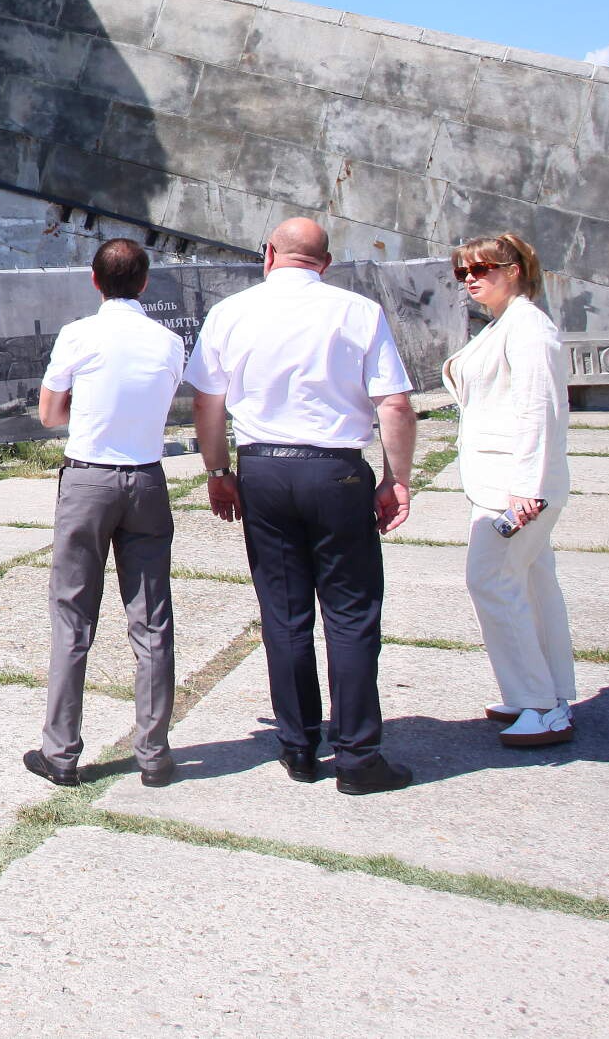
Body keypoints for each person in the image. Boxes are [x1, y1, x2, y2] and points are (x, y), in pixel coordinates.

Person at [189, 217, 418, 794]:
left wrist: (218, 471)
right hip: (335, 470)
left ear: (268, 255)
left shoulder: (231, 312)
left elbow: (208, 402)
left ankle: (297, 745)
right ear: (326, 262)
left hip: (264, 466)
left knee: (284, 612)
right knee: (351, 613)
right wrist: (397, 478)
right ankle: (359, 755)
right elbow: (393, 404)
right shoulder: (356, 311)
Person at [22, 238, 186, 788]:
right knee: (151, 620)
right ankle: (154, 752)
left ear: (95, 280)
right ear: (144, 282)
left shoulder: (78, 334)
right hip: (145, 479)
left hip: (89, 477)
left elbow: (49, 414)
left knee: (73, 619)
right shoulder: (168, 341)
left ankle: (61, 752)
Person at [442, 232, 576, 749]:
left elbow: (539, 410)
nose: (472, 280)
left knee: (492, 581)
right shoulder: (506, 325)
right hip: (506, 481)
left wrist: (527, 486)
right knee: (533, 587)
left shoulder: (528, 329)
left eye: (482, 269)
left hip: (515, 488)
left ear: (515, 269)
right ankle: (545, 695)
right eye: (463, 273)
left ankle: (540, 705)